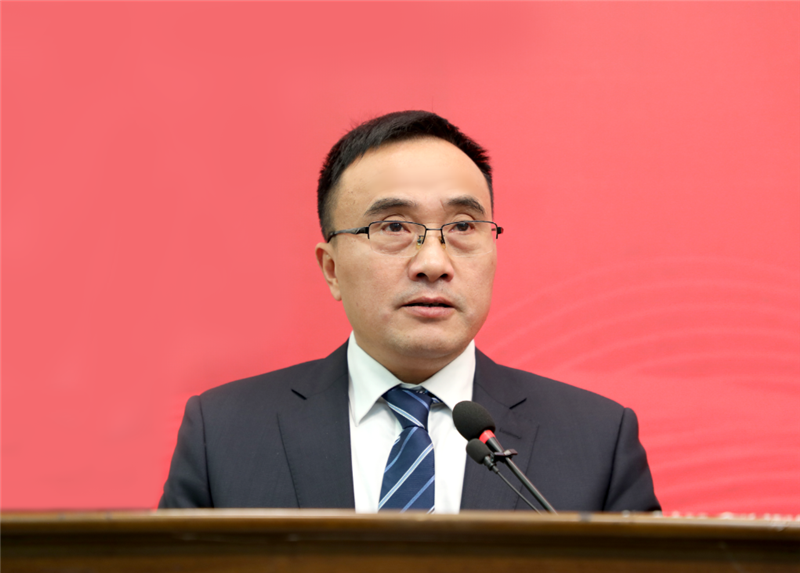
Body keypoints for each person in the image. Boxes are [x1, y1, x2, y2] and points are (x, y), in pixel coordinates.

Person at [159, 110, 660, 513]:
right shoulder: (225, 433)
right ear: (331, 269)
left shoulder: (596, 440)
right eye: (394, 227)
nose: (433, 263)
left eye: (463, 227)